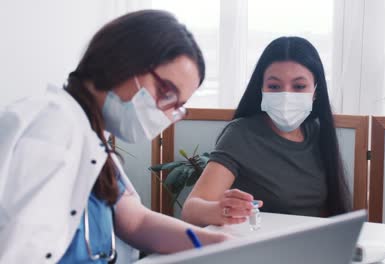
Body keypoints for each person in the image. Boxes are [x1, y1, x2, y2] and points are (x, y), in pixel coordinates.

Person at [0, 10, 229, 264]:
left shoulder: (91, 137)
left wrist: (219, 244)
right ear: (124, 61)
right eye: (166, 92)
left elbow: (136, 221)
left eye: (177, 106)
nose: (166, 113)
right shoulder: (53, 129)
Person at [181, 36, 352, 227]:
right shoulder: (241, 134)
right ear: (261, 89)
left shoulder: (319, 133)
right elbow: (191, 210)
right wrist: (223, 210)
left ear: (316, 92)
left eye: (299, 86)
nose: (286, 95)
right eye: (274, 86)